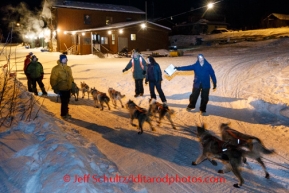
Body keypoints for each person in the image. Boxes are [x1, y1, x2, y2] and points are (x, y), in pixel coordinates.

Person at [50, 54, 74, 119]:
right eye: (63, 59)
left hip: (68, 88)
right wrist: (55, 88)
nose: (65, 60)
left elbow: (71, 78)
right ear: (60, 60)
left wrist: (73, 84)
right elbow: (53, 79)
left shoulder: (68, 68)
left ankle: (66, 112)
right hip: (61, 88)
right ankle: (63, 114)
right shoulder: (56, 69)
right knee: (64, 101)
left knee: (67, 101)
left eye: (65, 59)